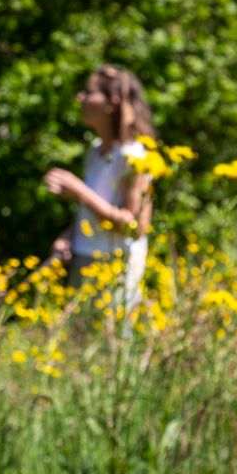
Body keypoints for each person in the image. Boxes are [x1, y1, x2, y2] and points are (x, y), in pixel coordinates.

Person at [44, 63, 156, 311]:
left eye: (88, 92)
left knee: (107, 345)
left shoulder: (134, 156)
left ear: (111, 103)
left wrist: (79, 191)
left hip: (115, 264)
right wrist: (69, 236)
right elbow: (96, 209)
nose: (80, 98)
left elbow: (136, 226)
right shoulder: (95, 152)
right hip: (84, 255)